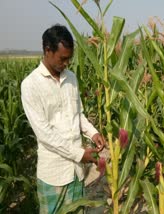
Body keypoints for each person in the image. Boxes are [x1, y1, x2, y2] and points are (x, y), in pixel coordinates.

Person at [21, 24, 105, 214]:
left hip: (77, 172)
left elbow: (78, 114)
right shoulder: (30, 85)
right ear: (47, 50)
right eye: (63, 59)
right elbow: (45, 134)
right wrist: (79, 154)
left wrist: (93, 133)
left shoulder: (71, 78)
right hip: (54, 174)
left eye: (69, 59)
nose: (66, 64)